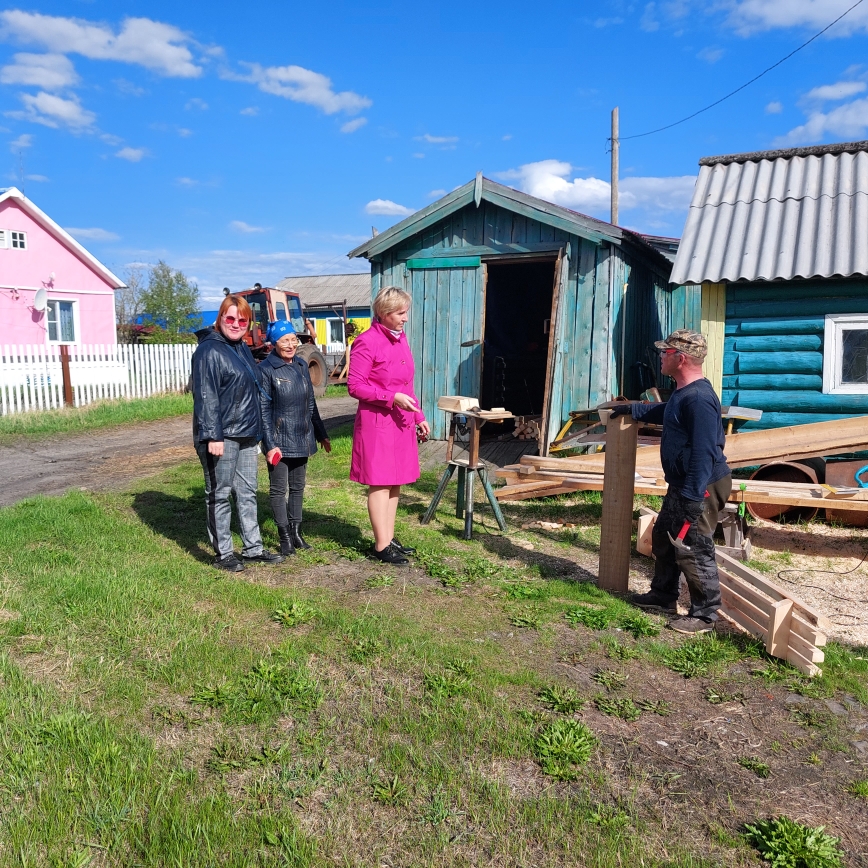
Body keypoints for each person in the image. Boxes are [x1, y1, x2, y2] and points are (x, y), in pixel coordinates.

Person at [612, 329, 732, 633]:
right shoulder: (684, 393)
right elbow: (670, 412)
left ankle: (705, 614)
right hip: (686, 483)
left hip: (701, 484)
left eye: (665, 353)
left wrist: (694, 497)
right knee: (665, 535)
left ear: (680, 358)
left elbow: (705, 452)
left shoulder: (700, 399)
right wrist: (633, 409)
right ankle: (664, 595)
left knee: (692, 546)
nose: (661, 357)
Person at [191, 295, 284, 572]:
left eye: (242, 320)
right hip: (223, 436)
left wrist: (263, 437)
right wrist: (212, 435)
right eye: (230, 318)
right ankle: (223, 554)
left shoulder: (240, 348)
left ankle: (253, 548)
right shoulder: (209, 351)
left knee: (247, 492)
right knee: (219, 493)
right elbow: (205, 396)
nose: (236, 324)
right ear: (220, 319)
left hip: (246, 433)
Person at [348, 286, 430, 565]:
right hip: (377, 423)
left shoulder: (400, 339)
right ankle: (381, 546)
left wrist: (419, 416)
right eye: (400, 313)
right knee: (380, 484)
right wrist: (390, 397)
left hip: (401, 422)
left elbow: (406, 384)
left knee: (395, 482)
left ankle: (389, 536)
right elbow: (355, 386)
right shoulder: (366, 342)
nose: (405, 318)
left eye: (406, 312)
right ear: (383, 314)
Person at [259, 320, 331, 555]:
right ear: (274, 343)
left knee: (298, 487)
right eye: (284, 340)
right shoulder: (266, 370)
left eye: (293, 340)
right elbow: (263, 411)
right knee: (279, 490)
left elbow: (310, 403)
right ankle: (284, 537)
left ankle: (297, 532)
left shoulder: (301, 365)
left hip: (302, 436)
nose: (290, 345)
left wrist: (321, 433)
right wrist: (269, 444)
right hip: (279, 440)